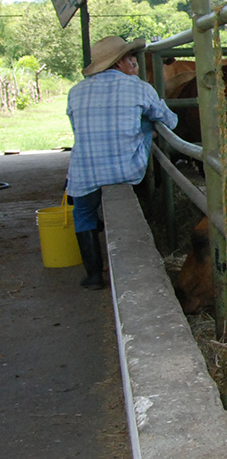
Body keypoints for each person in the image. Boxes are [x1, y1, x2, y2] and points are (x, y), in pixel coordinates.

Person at [66, 36, 178, 289]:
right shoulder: (139, 87)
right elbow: (170, 122)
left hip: (84, 171)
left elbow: (77, 130)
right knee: (147, 122)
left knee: (83, 213)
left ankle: (94, 276)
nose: (135, 63)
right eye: (131, 58)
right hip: (126, 169)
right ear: (119, 63)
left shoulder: (75, 91)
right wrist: (147, 128)